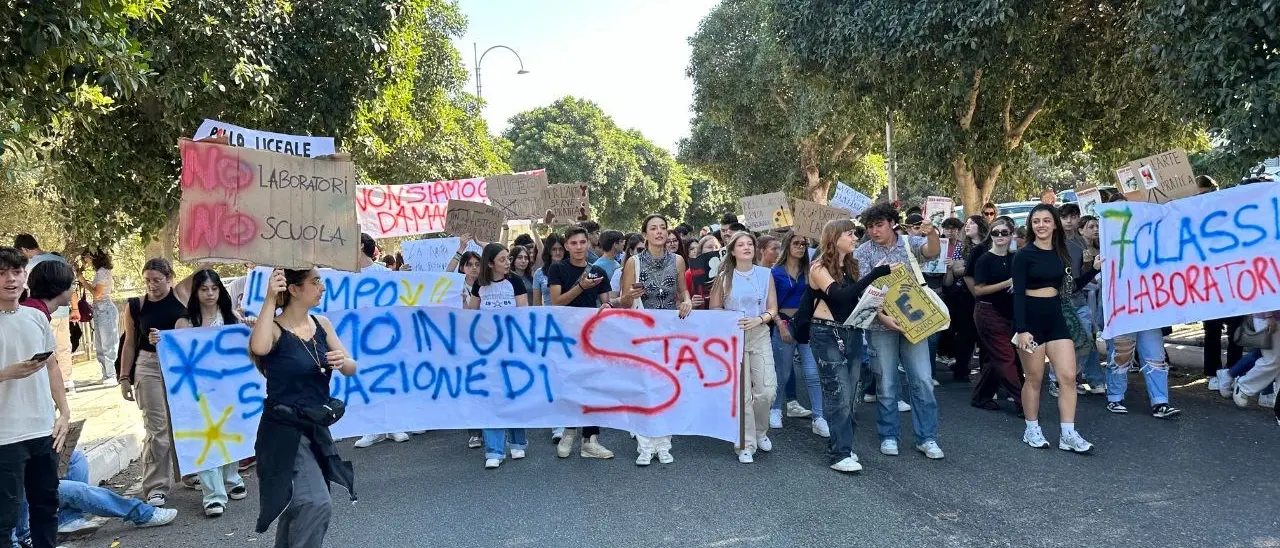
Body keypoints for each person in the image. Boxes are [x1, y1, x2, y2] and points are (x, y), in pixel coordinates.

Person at [250, 268, 357, 548]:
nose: (322, 287)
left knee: (299, 504)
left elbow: (351, 367)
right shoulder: (273, 329)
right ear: (295, 289)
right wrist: (270, 298)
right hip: (283, 433)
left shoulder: (321, 324)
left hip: (315, 429)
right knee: (315, 503)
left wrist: (340, 361)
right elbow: (259, 347)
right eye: (315, 282)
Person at [853, 202, 946, 460]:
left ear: (892, 222)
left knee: (923, 380)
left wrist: (932, 233)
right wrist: (883, 318)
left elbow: (932, 252)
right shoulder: (862, 253)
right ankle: (889, 435)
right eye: (869, 226)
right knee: (886, 381)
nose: (873, 231)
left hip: (915, 321)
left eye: (878, 225)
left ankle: (927, 437)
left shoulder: (908, 243)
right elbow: (864, 290)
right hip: (879, 324)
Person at [807, 220, 893, 472]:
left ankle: (843, 445)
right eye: (850, 234)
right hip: (826, 333)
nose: (856, 238)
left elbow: (857, 299)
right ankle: (839, 453)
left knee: (852, 394)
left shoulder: (851, 266)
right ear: (834, 238)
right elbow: (838, 295)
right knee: (838, 392)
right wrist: (875, 274)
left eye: (856, 234)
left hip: (853, 331)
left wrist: (883, 313)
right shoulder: (819, 267)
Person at [1, 247, 70, 548]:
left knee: (46, 506)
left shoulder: (36, 316)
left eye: (16, 272)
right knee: (6, 517)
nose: (10, 280)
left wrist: (64, 414)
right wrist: (6, 373)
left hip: (43, 428)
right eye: (2, 273)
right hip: (5, 435)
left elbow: (52, 367)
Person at [1011, 205, 1094, 452]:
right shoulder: (1024, 255)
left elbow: (1070, 289)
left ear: (1054, 224)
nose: (1041, 225)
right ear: (1031, 226)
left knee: (1068, 377)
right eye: (1036, 221)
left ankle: (1068, 433)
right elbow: (1017, 297)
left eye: (1046, 220)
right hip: (1030, 320)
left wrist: (1095, 269)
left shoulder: (1062, 254)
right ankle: (1031, 429)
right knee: (1034, 379)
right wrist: (1021, 329)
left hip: (1056, 318)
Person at [174, 270, 251, 517]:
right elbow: (176, 354)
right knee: (205, 439)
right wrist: (159, 342)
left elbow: (248, 349)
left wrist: (251, 326)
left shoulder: (232, 319)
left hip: (228, 390)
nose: (209, 294)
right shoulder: (185, 323)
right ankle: (213, 495)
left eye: (214, 289)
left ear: (220, 291)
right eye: (204, 289)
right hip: (197, 392)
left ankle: (232, 478)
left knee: (228, 434)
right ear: (196, 292)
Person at [619, 215, 694, 465]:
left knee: (666, 387)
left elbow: (683, 290)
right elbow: (624, 302)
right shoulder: (634, 262)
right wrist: (630, 294)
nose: (659, 232)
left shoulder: (678, 260)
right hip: (642, 331)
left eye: (663, 228)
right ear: (645, 234)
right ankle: (644, 444)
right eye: (653, 228)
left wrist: (686, 301)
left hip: (670, 331)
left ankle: (664, 443)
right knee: (644, 387)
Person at [118, 258, 192, 507]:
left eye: (157, 280)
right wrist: (124, 377)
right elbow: (129, 342)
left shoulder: (181, 296)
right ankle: (156, 487)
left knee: (183, 423)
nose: (152, 285)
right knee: (156, 429)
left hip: (179, 367)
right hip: (148, 366)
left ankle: (189, 473)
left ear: (170, 278)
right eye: (148, 280)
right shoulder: (136, 306)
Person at [548, 226, 616, 460]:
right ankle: (569, 429)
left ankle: (591, 440)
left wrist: (613, 304)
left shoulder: (598, 270)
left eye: (582, 242)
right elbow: (556, 302)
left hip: (593, 336)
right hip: (566, 337)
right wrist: (581, 286)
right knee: (570, 383)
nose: (578, 247)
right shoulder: (557, 269)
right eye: (573, 243)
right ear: (566, 246)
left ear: (589, 244)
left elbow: (606, 302)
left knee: (593, 385)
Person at [710, 232, 778, 463]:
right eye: (741, 244)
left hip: (759, 334)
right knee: (742, 395)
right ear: (732, 251)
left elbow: (772, 309)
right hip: (734, 337)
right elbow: (715, 308)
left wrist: (759, 319)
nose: (746, 247)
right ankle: (745, 443)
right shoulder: (724, 277)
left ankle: (760, 431)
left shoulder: (765, 274)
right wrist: (732, 319)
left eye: (750, 243)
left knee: (766, 390)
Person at [10, 449, 177, 544]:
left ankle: (68, 518)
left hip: (23, 469)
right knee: (77, 491)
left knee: (75, 457)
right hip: (16, 484)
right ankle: (142, 513)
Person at [466, 244, 531, 469]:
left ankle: (517, 441)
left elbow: (524, 313)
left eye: (508, 258)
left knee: (513, 394)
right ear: (491, 263)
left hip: (512, 348)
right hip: (486, 351)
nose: (507, 263)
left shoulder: (515, 282)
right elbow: (470, 315)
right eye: (502, 259)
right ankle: (494, 449)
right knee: (491, 397)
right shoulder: (479, 285)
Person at [352, 234, 409, 448]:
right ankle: (372, 429)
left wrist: (404, 278)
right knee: (367, 379)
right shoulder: (343, 275)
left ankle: (394, 425)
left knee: (389, 378)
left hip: (385, 335)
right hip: (358, 336)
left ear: (360, 246)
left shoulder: (383, 273)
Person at [769, 232, 825, 437]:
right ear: (787, 246)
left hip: (806, 324)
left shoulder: (810, 271)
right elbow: (771, 305)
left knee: (812, 372)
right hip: (783, 323)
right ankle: (775, 409)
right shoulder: (774, 273)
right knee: (782, 372)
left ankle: (819, 417)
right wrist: (780, 326)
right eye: (796, 243)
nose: (801, 247)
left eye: (804, 244)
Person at [969, 217, 1022, 412]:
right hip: (988, 312)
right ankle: (1024, 401)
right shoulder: (984, 259)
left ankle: (981, 397)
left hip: (1009, 312)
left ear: (1011, 235)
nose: (1000, 236)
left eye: (1004, 233)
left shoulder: (1015, 257)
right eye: (995, 232)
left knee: (996, 358)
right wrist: (1008, 283)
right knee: (1006, 357)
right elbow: (979, 290)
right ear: (990, 235)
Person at [12, 235, 74, 394]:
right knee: (60, 348)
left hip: (50, 310)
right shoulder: (58, 259)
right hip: (59, 313)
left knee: (49, 352)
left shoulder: (31, 264)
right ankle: (67, 381)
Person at [1059, 203, 1106, 395]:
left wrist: (1092, 266)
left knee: (1087, 338)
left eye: (1073, 216)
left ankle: (1089, 379)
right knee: (1070, 341)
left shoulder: (1081, 242)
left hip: (1078, 296)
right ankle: (1065, 379)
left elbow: (1083, 276)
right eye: (1065, 217)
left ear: (1079, 218)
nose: (1069, 221)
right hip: (1059, 298)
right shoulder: (1054, 241)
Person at [944, 215, 986, 381]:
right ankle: (961, 369)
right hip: (964, 296)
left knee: (984, 336)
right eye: (966, 223)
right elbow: (955, 269)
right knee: (965, 334)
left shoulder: (989, 244)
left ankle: (986, 372)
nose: (967, 226)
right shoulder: (961, 247)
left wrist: (967, 266)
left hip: (986, 292)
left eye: (971, 223)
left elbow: (965, 268)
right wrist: (971, 267)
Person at [77, 250, 119, 386]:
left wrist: (83, 282)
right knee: (101, 345)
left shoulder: (102, 272)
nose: (86, 261)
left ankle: (112, 374)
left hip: (104, 308)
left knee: (108, 344)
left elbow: (98, 294)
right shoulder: (101, 271)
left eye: (87, 258)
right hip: (100, 310)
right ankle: (107, 374)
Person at [531, 234, 566, 307]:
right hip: (548, 316)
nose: (558, 252)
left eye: (561, 249)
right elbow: (536, 304)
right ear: (548, 251)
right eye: (554, 249)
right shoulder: (539, 273)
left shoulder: (570, 269)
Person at [610, 234, 646, 300]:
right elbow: (612, 299)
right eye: (640, 250)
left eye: (647, 250)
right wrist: (627, 297)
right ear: (631, 251)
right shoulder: (619, 273)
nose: (643, 253)